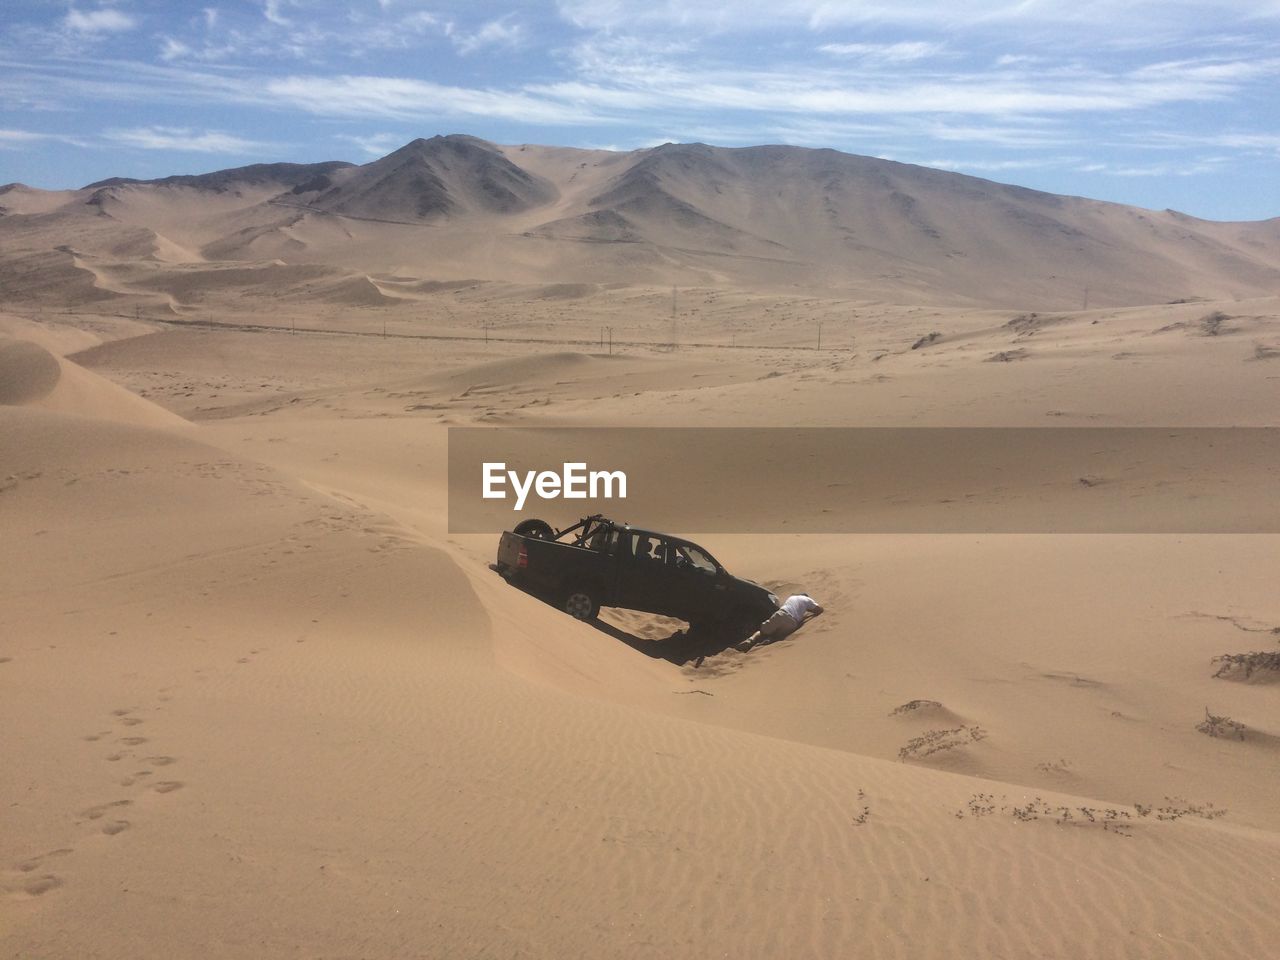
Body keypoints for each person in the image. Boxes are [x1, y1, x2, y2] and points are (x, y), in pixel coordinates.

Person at [736, 593, 823, 651]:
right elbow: (819, 610)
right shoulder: (808, 600)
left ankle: (751, 640)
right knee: (777, 636)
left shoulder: (791, 597)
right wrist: (807, 613)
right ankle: (768, 641)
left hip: (781, 613)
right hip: (792, 622)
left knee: (762, 631)